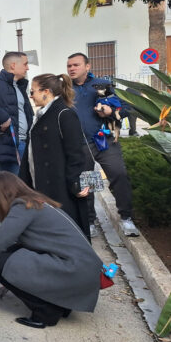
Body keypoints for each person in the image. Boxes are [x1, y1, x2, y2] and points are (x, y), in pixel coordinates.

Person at [0, 172, 103, 329]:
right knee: (9, 254)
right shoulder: (36, 202)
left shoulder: (23, 207)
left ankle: (46, 311)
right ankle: (59, 304)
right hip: (83, 270)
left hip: (75, 270)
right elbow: (13, 242)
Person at [66, 53, 139, 237]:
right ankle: (89, 221)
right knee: (88, 182)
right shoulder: (65, 89)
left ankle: (127, 219)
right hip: (81, 144)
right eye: (69, 66)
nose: (72, 68)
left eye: (76, 65)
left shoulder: (102, 85)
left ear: (87, 66)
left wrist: (111, 111)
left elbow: (126, 107)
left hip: (106, 141)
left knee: (119, 175)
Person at [20, 74, 90, 238]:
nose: (31, 96)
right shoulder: (43, 113)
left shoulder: (64, 113)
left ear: (46, 91)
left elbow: (76, 153)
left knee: (65, 232)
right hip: (42, 185)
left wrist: (75, 183)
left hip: (60, 188)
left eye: (33, 91)